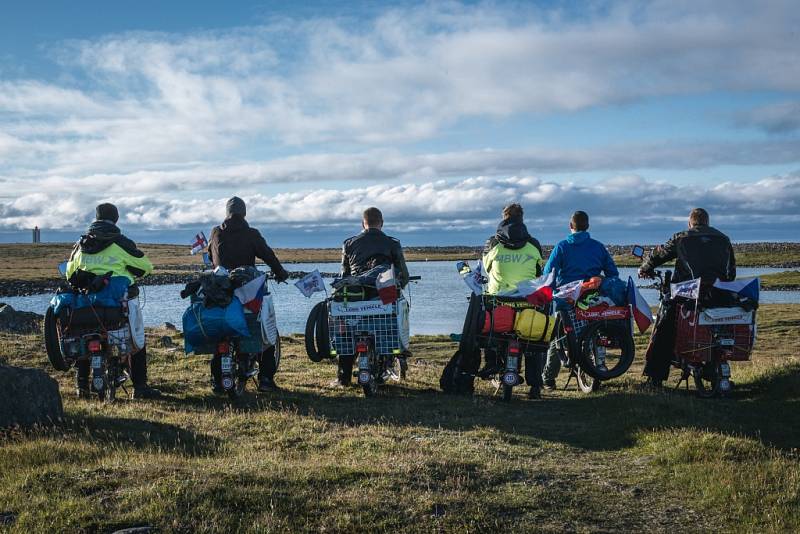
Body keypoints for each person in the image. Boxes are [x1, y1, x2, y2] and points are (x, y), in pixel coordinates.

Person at [66, 203, 161, 399]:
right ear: (116, 219)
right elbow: (146, 266)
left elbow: (69, 273)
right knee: (137, 340)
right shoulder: (120, 242)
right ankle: (140, 388)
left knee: (83, 335)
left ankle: (81, 386)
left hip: (86, 306)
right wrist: (127, 271)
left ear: (96, 218)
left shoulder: (81, 244)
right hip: (115, 306)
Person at [638, 208, 736, 387]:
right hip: (719, 294)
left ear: (690, 223)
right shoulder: (723, 239)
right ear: (707, 222)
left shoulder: (682, 237)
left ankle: (655, 377)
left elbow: (660, 254)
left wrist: (645, 267)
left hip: (688, 293)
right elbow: (731, 272)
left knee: (665, 325)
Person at [207, 196, 289, 391]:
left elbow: (211, 256)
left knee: (222, 333)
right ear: (244, 214)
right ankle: (266, 380)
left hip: (221, 291)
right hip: (248, 291)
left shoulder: (216, 232)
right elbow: (268, 255)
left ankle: (217, 380)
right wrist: (280, 272)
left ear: (227, 214)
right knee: (264, 330)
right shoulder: (251, 234)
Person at [540, 210, 619, 389]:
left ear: (570, 227)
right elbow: (613, 273)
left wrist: (549, 294)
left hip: (566, 301)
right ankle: (598, 365)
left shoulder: (561, 247)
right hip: (593, 300)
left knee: (559, 338)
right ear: (588, 226)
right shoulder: (598, 247)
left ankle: (549, 378)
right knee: (594, 332)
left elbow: (548, 274)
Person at [336, 207, 410, 386]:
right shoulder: (392, 243)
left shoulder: (349, 243)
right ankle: (388, 360)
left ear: (363, 223)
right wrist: (400, 285)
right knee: (389, 326)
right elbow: (403, 274)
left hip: (356, 299)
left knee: (348, 335)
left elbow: (344, 275)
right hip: (382, 297)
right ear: (382, 223)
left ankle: (343, 378)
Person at [480, 203, 545, 399]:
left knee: (490, 332)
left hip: (498, 300)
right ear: (522, 219)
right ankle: (535, 385)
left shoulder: (492, 243)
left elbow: (486, 269)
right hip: (527, 301)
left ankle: (492, 363)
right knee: (533, 341)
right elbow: (538, 271)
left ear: (504, 217)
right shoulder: (533, 244)